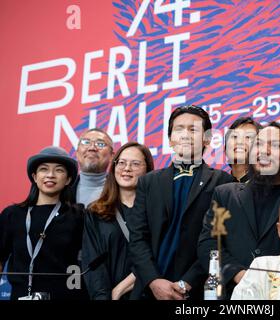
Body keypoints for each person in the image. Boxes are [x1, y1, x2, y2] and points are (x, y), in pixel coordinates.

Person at [128, 105, 233, 300]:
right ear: (170, 140)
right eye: (179, 129)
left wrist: (187, 282)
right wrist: (153, 280)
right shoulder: (148, 182)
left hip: (195, 291)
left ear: (207, 139)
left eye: (193, 129)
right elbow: (137, 238)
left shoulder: (222, 182)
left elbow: (218, 242)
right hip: (148, 291)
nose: (185, 134)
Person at [198, 121, 280, 299]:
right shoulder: (225, 195)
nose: (264, 151)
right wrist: (239, 274)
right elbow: (208, 244)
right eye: (259, 144)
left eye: (275, 145)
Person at [0, 146, 85, 300]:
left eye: (59, 170)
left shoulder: (79, 216)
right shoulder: (12, 215)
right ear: (34, 176)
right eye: (44, 169)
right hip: (20, 295)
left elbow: (85, 262)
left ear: (68, 180)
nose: (50, 175)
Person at [82, 142, 154, 300]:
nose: (127, 168)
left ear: (148, 170)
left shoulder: (157, 211)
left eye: (135, 164)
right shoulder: (95, 212)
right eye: (121, 162)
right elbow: (93, 264)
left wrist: (119, 290)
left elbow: (157, 257)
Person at [73, 128, 114, 206]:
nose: (92, 148)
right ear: (77, 152)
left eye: (100, 144)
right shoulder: (62, 190)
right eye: (86, 142)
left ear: (112, 156)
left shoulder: (121, 191)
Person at [224, 117, 261, 183]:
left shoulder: (267, 187)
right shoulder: (217, 187)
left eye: (248, 137)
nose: (239, 142)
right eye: (235, 137)